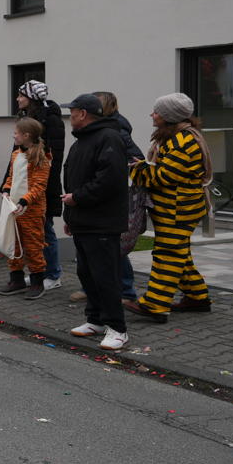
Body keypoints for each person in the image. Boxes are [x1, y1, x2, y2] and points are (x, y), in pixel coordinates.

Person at [126, 93, 212, 320]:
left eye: (157, 112)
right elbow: (163, 169)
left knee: (168, 254)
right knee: (179, 253)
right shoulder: (175, 137)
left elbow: (163, 175)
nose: (152, 115)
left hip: (179, 209)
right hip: (174, 207)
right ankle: (197, 297)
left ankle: (155, 305)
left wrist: (135, 169)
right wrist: (145, 166)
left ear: (169, 116)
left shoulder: (183, 141)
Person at [61, 94, 130, 351]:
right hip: (83, 220)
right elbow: (72, 180)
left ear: (84, 113)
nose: (70, 116)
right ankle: (96, 320)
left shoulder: (108, 138)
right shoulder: (80, 142)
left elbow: (109, 180)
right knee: (87, 273)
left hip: (103, 222)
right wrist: (71, 216)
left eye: (73, 111)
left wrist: (78, 199)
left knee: (105, 276)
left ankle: (118, 328)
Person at [94, 91, 144, 304]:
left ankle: (126, 291)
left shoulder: (117, 130)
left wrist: (114, 173)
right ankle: (100, 289)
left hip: (113, 196)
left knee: (115, 245)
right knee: (101, 245)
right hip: (102, 194)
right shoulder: (105, 128)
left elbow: (137, 159)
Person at [14, 82, 65, 290]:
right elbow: (16, 152)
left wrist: (42, 183)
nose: (17, 99)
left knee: (45, 229)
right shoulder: (27, 118)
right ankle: (39, 272)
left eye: (20, 95)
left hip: (42, 184)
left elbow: (55, 155)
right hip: (24, 182)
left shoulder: (50, 119)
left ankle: (53, 275)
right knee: (32, 232)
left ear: (31, 97)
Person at [0, 117, 53, 299]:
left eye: (16, 133)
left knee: (33, 246)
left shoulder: (41, 157)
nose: (14, 135)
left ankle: (37, 282)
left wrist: (24, 201)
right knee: (14, 244)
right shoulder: (16, 154)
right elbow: (11, 177)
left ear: (26, 135)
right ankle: (17, 279)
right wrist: (6, 190)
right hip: (13, 209)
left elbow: (39, 186)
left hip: (31, 211)